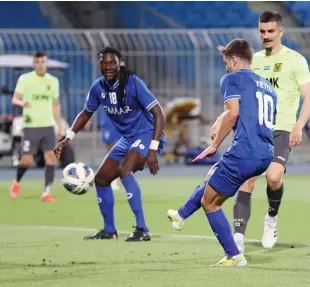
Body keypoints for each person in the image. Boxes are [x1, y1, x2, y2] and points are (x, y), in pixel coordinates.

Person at [167, 39, 277, 266]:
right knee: (213, 178)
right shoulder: (267, 87)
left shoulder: (231, 79)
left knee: (211, 203)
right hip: (265, 153)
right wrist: (222, 118)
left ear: (235, 59)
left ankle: (234, 255)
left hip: (244, 151)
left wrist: (214, 144)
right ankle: (180, 215)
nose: (225, 66)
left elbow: (233, 113)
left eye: (226, 61)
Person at [54, 46, 166, 241]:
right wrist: (68, 137)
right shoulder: (98, 87)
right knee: (102, 179)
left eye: (111, 63)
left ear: (119, 64)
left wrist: (153, 149)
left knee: (125, 169)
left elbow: (159, 113)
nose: (107, 67)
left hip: (147, 135)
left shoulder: (133, 82)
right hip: (128, 138)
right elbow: (86, 113)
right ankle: (109, 230)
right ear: (99, 64)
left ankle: (142, 228)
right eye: (103, 63)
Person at [229, 11, 310, 252]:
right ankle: (238, 240)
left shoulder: (296, 60)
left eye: (270, 31)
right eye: (262, 31)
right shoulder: (253, 61)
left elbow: (308, 97)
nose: (266, 36)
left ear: (280, 32)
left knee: (274, 178)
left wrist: (299, 125)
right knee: (247, 179)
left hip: (283, 129)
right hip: (255, 130)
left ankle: (271, 218)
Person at [10, 52, 63, 202]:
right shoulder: (25, 79)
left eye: (43, 62)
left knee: (51, 158)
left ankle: (46, 193)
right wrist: (22, 103)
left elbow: (56, 105)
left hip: (48, 126)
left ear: (46, 64)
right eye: (37, 62)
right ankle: (16, 182)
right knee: (26, 160)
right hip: (31, 126)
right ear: (34, 64)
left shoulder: (53, 81)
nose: (40, 64)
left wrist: (59, 127)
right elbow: (15, 99)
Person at [100, 111, 123, 191]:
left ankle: (115, 178)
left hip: (124, 116)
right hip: (109, 117)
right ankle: (111, 179)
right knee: (111, 150)